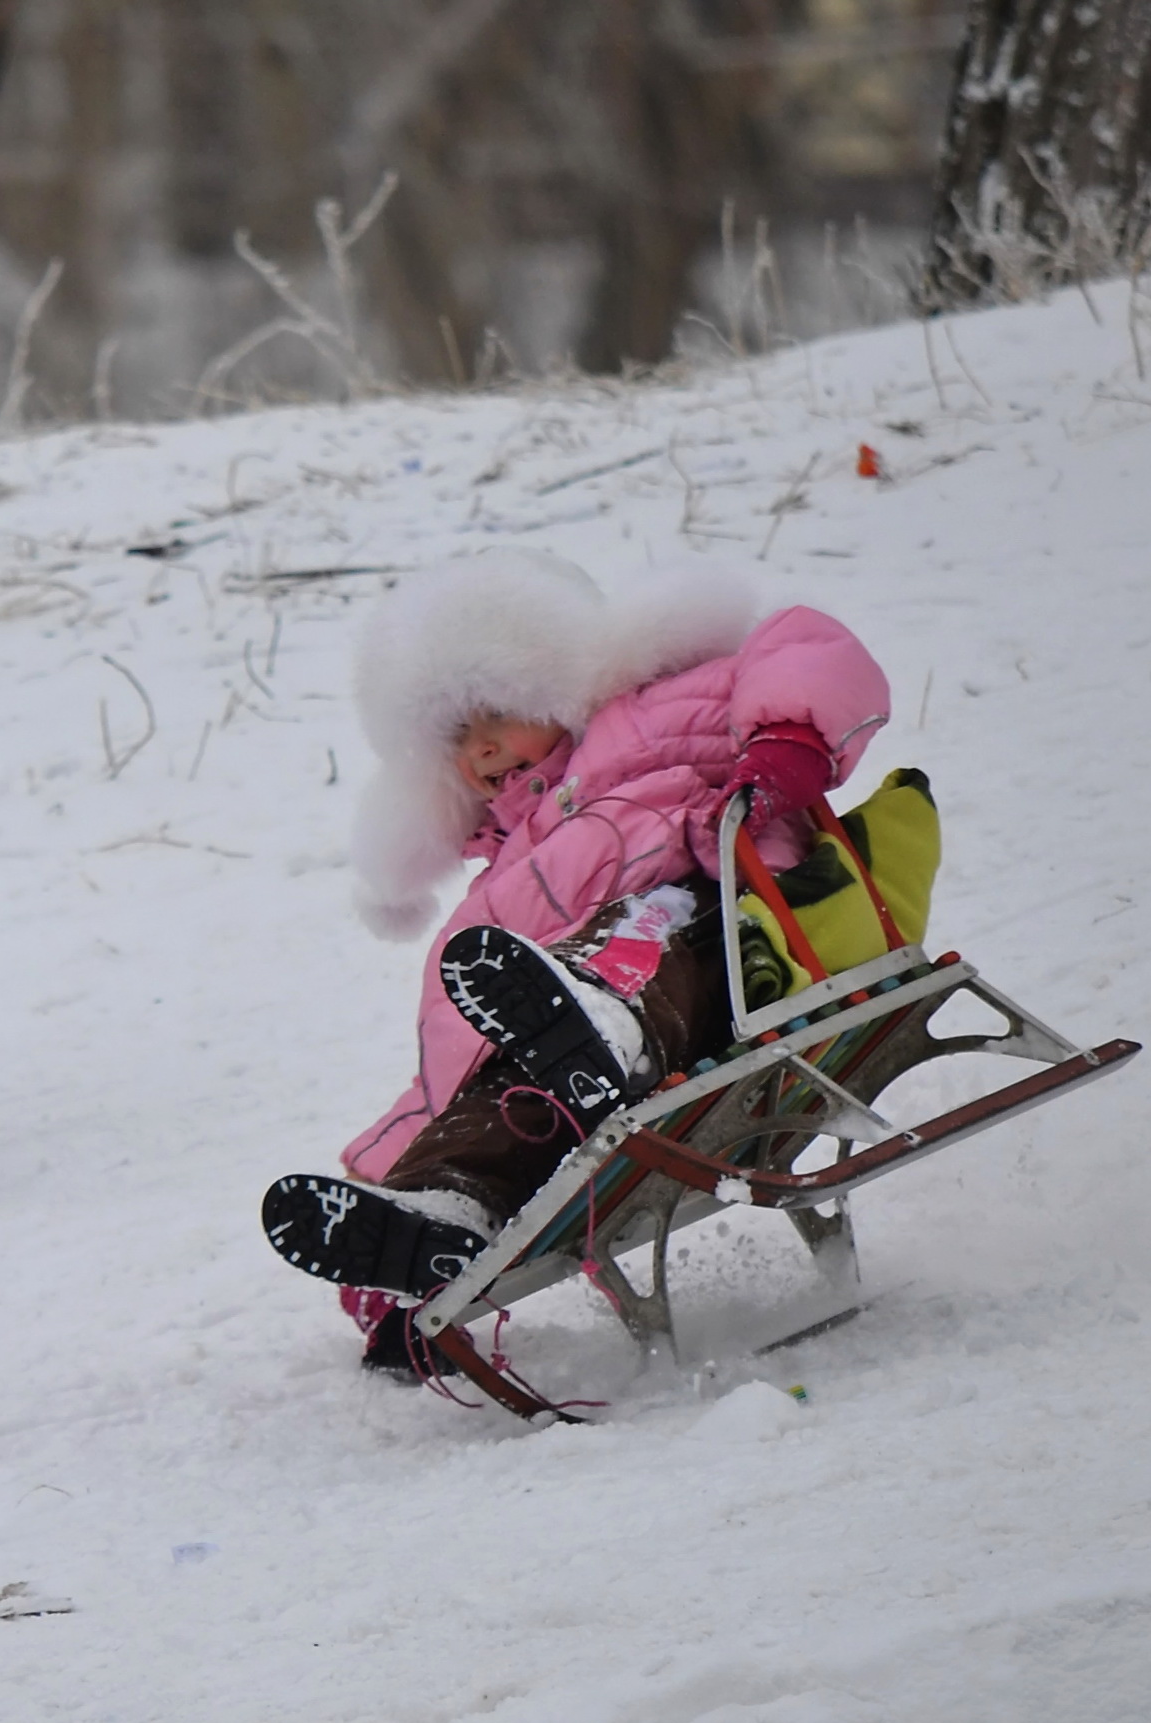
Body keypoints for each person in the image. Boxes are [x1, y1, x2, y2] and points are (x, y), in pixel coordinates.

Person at [257, 549, 890, 1370]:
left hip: (713, 956)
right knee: (500, 1083)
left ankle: (602, 1022)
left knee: (638, 931)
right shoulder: (501, 882)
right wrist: (396, 1180)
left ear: (559, 680)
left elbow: (803, 645)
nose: (483, 748)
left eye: (500, 712)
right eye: (458, 736)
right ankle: (439, 1223)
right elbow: (450, 1069)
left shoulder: (650, 715)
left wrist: (787, 736)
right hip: (570, 1060)